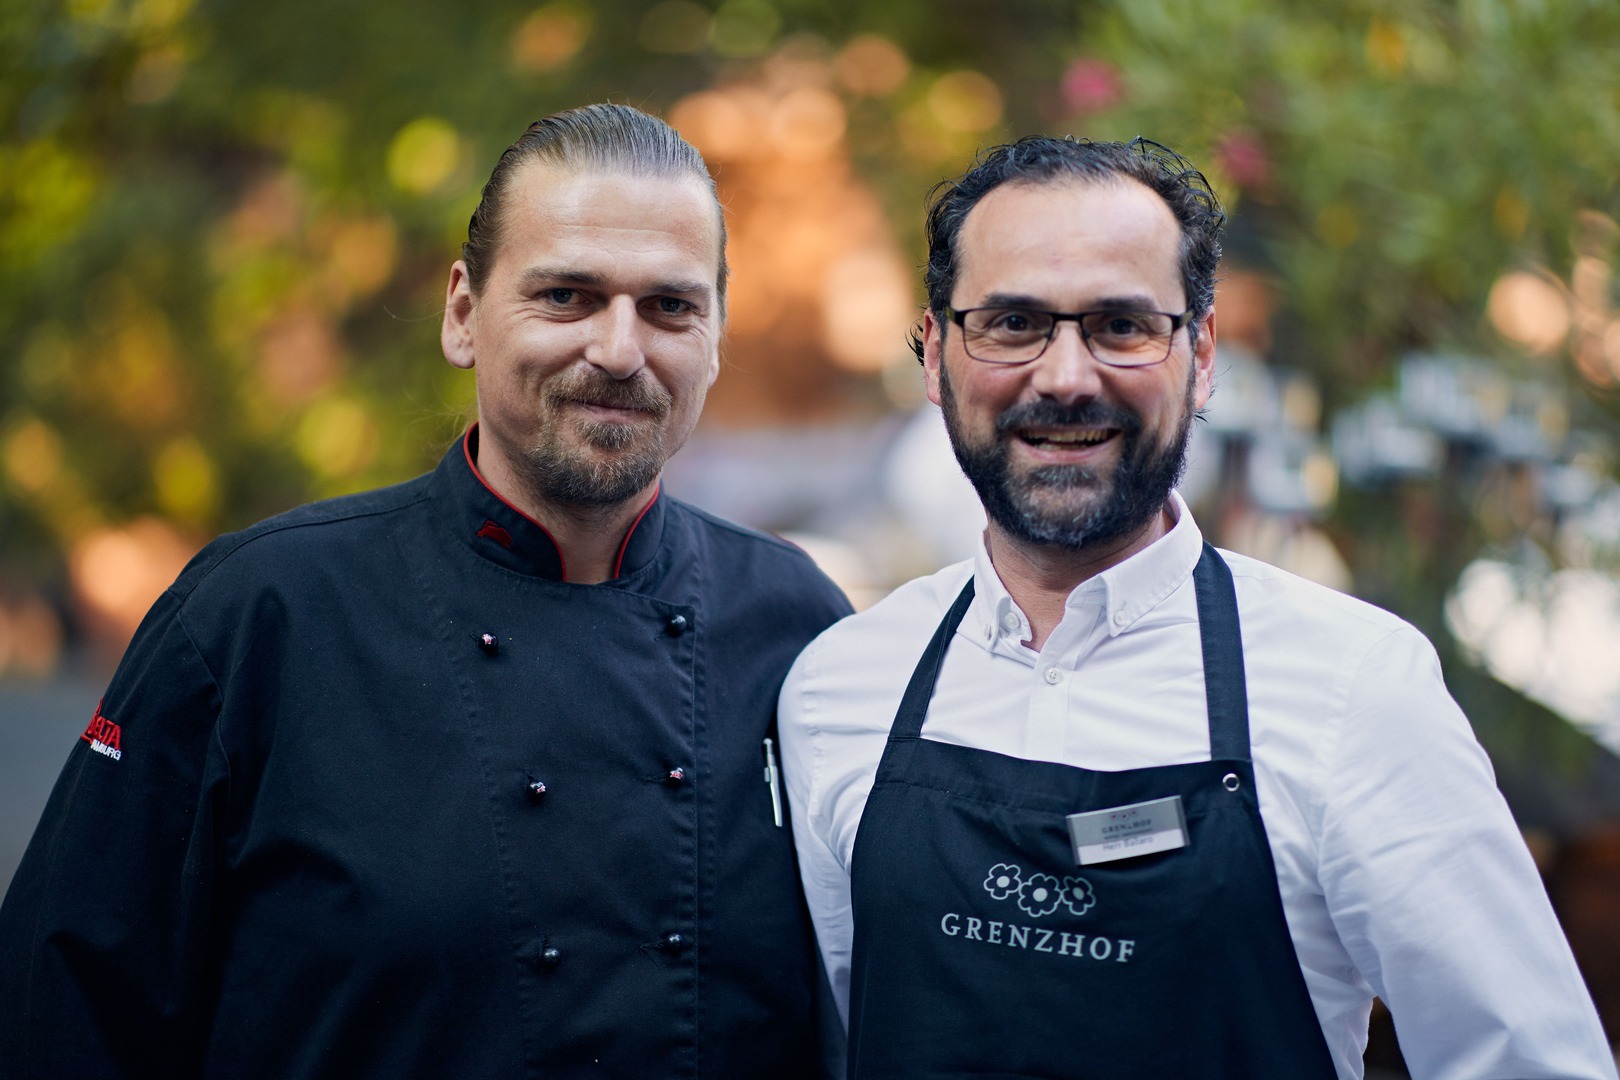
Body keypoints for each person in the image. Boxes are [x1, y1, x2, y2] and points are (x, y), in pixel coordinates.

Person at [0, 103, 851, 1078]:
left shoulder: (802, 628)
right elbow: (59, 1019)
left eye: (670, 306)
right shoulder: (254, 619)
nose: (620, 350)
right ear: (461, 315)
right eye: (567, 297)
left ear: (714, 339)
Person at [778, 135, 1617, 1079]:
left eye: (1122, 325)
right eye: (1012, 323)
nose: (1064, 375)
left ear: (1202, 355)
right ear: (935, 355)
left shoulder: (1357, 691)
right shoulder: (840, 689)